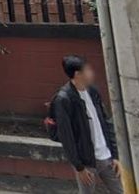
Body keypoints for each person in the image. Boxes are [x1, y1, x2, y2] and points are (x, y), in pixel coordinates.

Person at [52, 55, 123, 193]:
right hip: (86, 161)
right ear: (77, 74)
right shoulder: (64, 99)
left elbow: (106, 122)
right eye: (87, 70)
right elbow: (67, 137)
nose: (91, 73)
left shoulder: (93, 91)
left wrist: (115, 155)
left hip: (106, 156)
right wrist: (79, 167)